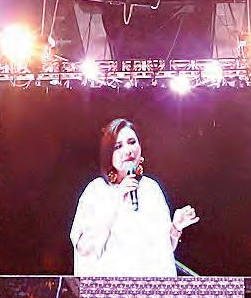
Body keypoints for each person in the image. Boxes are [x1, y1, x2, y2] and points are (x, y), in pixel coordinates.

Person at [69, 118, 198, 277]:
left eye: (132, 142)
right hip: (113, 287)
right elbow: (84, 249)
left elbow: (164, 251)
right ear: (108, 154)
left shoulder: (151, 189)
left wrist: (176, 228)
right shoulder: (96, 191)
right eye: (118, 146)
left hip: (151, 288)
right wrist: (116, 199)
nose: (128, 150)